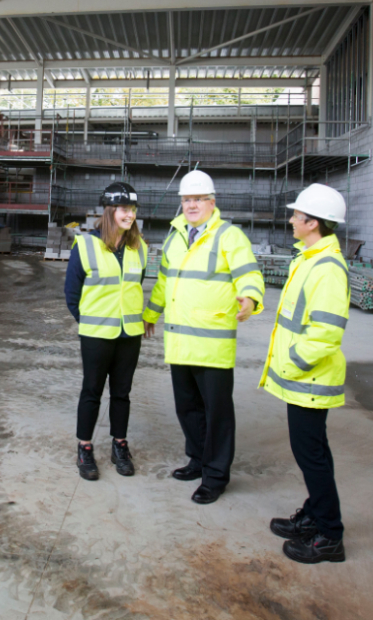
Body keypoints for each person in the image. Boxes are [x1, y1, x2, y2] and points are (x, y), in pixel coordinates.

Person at [142, 170, 264, 504]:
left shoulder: (229, 236)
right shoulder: (175, 235)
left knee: (217, 412)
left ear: (212, 202)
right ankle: (197, 460)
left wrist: (250, 297)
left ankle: (215, 476)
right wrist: (152, 312)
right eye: (186, 199)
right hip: (180, 341)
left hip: (212, 343)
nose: (191, 205)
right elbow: (165, 280)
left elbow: (249, 271)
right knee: (188, 408)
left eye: (198, 199)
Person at [261, 183, 350, 564]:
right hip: (303, 380)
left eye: (297, 215)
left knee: (311, 455)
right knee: (313, 453)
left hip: (310, 379)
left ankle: (330, 534)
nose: (292, 220)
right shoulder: (310, 257)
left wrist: (294, 361)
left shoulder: (327, 268)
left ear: (313, 223)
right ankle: (316, 515)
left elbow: (327, 332)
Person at [64, 183, 148, 481]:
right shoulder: (86, 245)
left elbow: (136, 287)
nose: (130, 214)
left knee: (122, 393)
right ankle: (85, 447)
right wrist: (89, 322)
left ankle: (119, 444)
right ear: (110, 212)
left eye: (133, 209)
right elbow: (72, 294)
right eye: (125, 209)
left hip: (130, 334)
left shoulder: (140, 247)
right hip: (96, 335)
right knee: (92, 391)